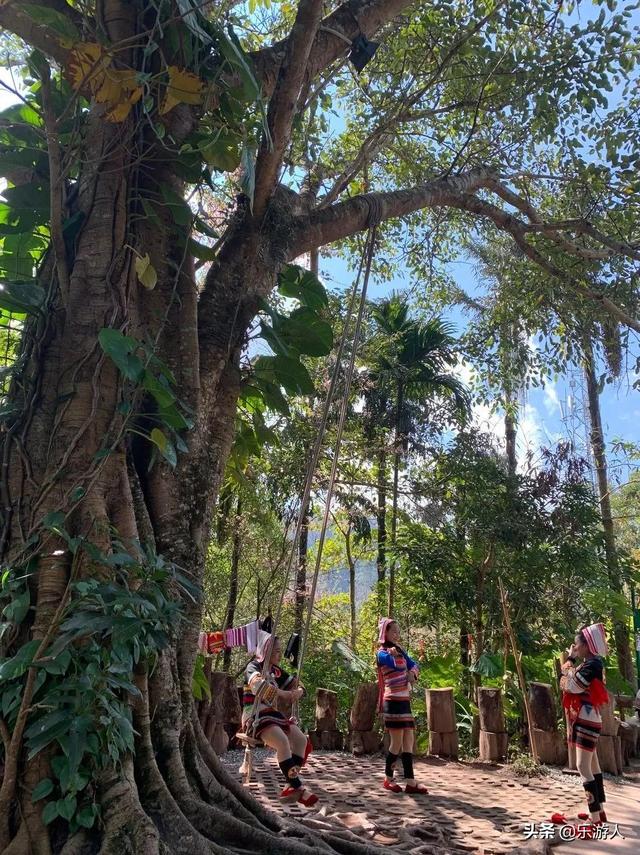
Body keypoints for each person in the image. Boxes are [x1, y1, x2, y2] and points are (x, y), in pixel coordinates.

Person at [242, 632, 318, 806]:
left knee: (300, 740)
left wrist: (299, 691)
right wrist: (285, 694)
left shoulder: (276, 671)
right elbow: (260, 688)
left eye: (280, 650)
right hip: (255, 717)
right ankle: (298, 786)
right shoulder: (253, 667)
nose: (279, 654)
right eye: (276, 651)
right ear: (266, 650)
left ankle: (290, 785)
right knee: (283, 741)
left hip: (272, 715)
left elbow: (298, 683)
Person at [559, 623, 610, 826]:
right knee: (594, 766)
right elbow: (569, 681)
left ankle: (595, 818)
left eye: (577, 644)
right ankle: (600, 811)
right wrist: (570, 667)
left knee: (582, 766)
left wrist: (569, 661)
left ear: (587, 645)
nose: (575, 647)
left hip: (586, 720)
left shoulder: (592, 665)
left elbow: (571, 685)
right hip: (589, 718)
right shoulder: (592, 663)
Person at [376, 617, 428, 794]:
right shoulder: (382, 653)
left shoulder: (398, 650)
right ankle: (388, 778)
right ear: (385, 633)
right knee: (396, 743)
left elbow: (414, 665)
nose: (397, 635)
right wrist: (402, 661)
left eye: (398, 631)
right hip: (392, 702)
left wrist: (413, 673)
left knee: (408, 740)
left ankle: (411, 781)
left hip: (404, 701)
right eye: (393, 632)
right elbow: (398, 665)